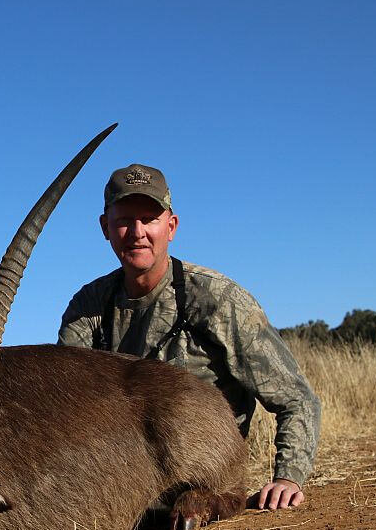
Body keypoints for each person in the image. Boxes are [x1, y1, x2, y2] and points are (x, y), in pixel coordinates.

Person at [58, 164, 320, 510]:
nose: (136, 232)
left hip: (202, 471)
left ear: (171, 226)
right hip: (124, 475)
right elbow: (68, 409)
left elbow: (297, 399)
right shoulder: (88, 307)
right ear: (105, 227)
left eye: (150, 219)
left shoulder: (218, 299)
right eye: (124, 220)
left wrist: (288, 477)